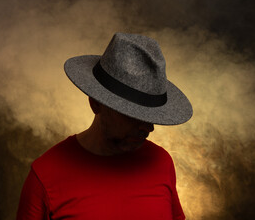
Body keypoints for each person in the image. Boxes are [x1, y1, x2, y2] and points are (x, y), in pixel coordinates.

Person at [16, 33, 193, 220]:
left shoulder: (161, 162)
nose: (149, 127)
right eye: (132, 115)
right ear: (96, 104)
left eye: (151, 116)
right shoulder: (45, 175)